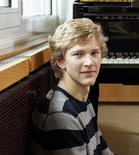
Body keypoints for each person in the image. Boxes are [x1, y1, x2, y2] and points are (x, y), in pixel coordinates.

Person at [29, 18, 114, 155]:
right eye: (78, 54)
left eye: (94, 53)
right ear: (61, 61)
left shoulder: (83, 101)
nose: (89, 62)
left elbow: (103, 151)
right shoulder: (62, 116)